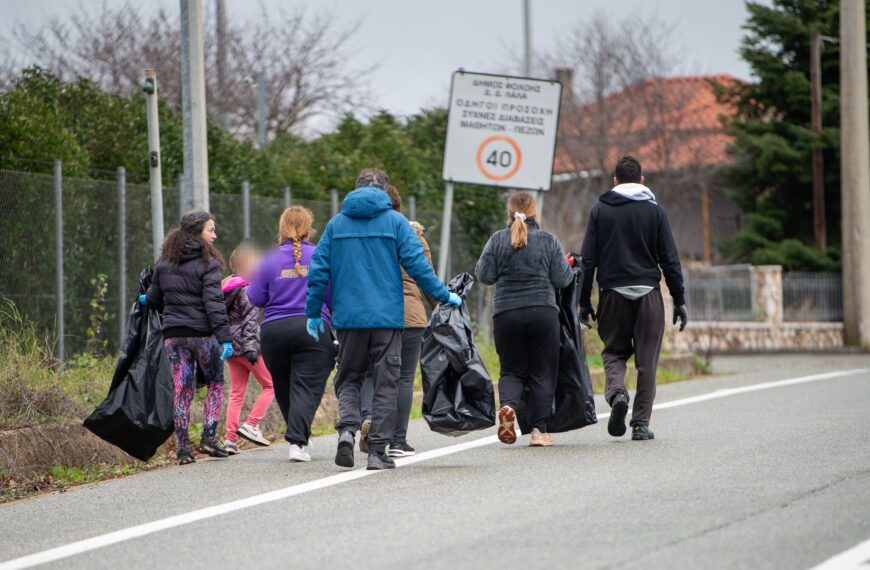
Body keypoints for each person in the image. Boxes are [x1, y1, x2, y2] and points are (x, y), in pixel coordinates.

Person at [306, 168, 461, 471]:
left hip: (349, 319)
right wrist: (443, 296)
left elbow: (318, 271)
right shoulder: (396, 222)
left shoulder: (337, 224)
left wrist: (313, 312)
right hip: (388, 319)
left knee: (349, 377)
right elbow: (418, 266)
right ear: (385, 191)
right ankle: (377, 452)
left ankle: (348, 431)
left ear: (355, 189)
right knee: (387, 382)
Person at [578, 156, 687, 442]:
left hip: (612, 294)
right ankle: (640, 424)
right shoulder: (656, 212)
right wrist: (679, 298)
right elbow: (670, 260)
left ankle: (617, 395)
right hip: (648, 295)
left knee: (614, 351)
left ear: (614, 181)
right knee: (646, 361)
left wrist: (583, 301)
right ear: (642, 180)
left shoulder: (600, 210)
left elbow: (588, 260)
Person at [475, 191, 574, 447]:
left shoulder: (497, 239)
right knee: (543, 371)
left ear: (510, 213)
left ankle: (507, 407)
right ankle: (539, 432)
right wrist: (567, 265)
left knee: (511, 370)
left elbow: (484, 275)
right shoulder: (548, 240)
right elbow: (563, 279)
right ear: (534, 212)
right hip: (542, 312)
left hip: (506, 314)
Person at [142, 211, 233, 465]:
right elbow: (214, 305)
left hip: (173, 335)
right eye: (211, 230)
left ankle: (183, 450)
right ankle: (209, 437)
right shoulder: (209, 265)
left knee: (182, 391)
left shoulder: (164, 263)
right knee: (215, 384)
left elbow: (154, 299)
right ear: (197, 233)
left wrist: (145, 299)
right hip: (203, 336)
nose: (214, 235)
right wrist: (225, 338)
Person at [248, 206, 335, 463]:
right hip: (312, 328)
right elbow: (331, 296)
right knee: (307, 387)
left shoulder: (269, 259)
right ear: (309, 228)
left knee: (284, 388)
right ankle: (297, 442)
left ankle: (299, 438)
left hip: (274, 332)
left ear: (282, 227)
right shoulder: (321, 255)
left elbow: (255, 298)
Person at [358, 185, 434, 458]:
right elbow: (427, 276)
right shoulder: (414, 234)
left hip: (373, 314)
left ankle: (368, 418)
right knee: (402, 378)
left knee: (369, 373)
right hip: (411, 315)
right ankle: (398, 441)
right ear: (399, 208)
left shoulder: (364, 233)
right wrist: (440, 309)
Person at [221, 243, 275, 454]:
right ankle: (252, 424)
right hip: (246, 346)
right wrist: (252, 348)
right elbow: (250, 322)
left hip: (231, 348)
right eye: (256, 261)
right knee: (271, 385)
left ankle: (230, 440)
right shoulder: (247, 288)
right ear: (246, 264)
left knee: (236, 393)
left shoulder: (227, 286)